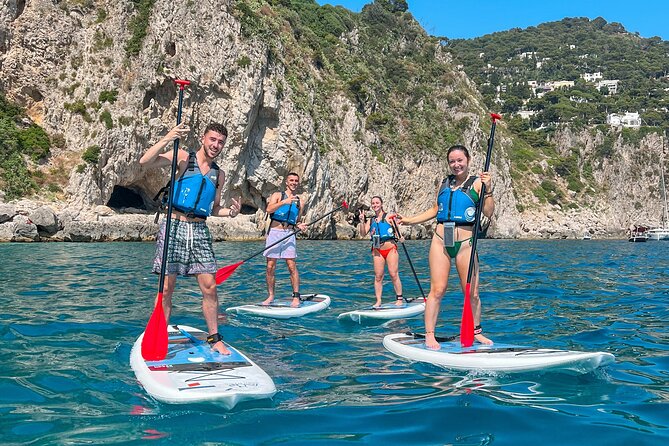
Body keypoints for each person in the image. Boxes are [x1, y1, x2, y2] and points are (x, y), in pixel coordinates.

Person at [139, 121, 241, 355]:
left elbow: (214, 208)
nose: (216, 145)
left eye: (220, 142)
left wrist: (231, 213)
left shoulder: (219, 174)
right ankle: (159, 335)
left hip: (199, 230)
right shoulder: (183, 157)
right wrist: (168, 137)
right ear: (204, 138)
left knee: (210, 287)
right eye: (212, 139)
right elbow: (145, 162)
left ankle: (214, 338)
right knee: (165, 289)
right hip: (174, 224)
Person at [397, 145, 495, 349]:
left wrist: (489, 190)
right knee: (437, 290)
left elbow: (488, 212)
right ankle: (429, 334)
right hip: (441, 239)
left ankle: (476, 332)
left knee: (472, 293)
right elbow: (436, 209)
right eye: (452, 161)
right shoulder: (444, 183)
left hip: (466, 243)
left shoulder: (478, 184)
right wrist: (409, 220)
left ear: (468, 160)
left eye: (460, 160)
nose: (456, 164)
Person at [262, 172, 308, 307]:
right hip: (275, 233)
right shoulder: (278, 195)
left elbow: (296, 220)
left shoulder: (300, 201)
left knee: (291, 265)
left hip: (289, 234)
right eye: (291, 180)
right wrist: (284, 202)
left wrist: (299, 225)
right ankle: (270, 296)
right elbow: (269, 209)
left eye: (296, 181)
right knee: (270, 266)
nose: (294, 183)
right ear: (286, 182)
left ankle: (296, 296)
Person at [357, 196, 404, 308]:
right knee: (378, 276)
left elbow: (396, 229)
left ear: (381, 204)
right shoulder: (371, 220)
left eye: (377, 203)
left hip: (390, 248)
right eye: (373, 203)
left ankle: (399, 299)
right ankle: (378, 301)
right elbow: (363, 234)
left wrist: (400, 236)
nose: (375, 205)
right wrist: (362, 222)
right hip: (377, 250)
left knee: (393, 274)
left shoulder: (388, 217)